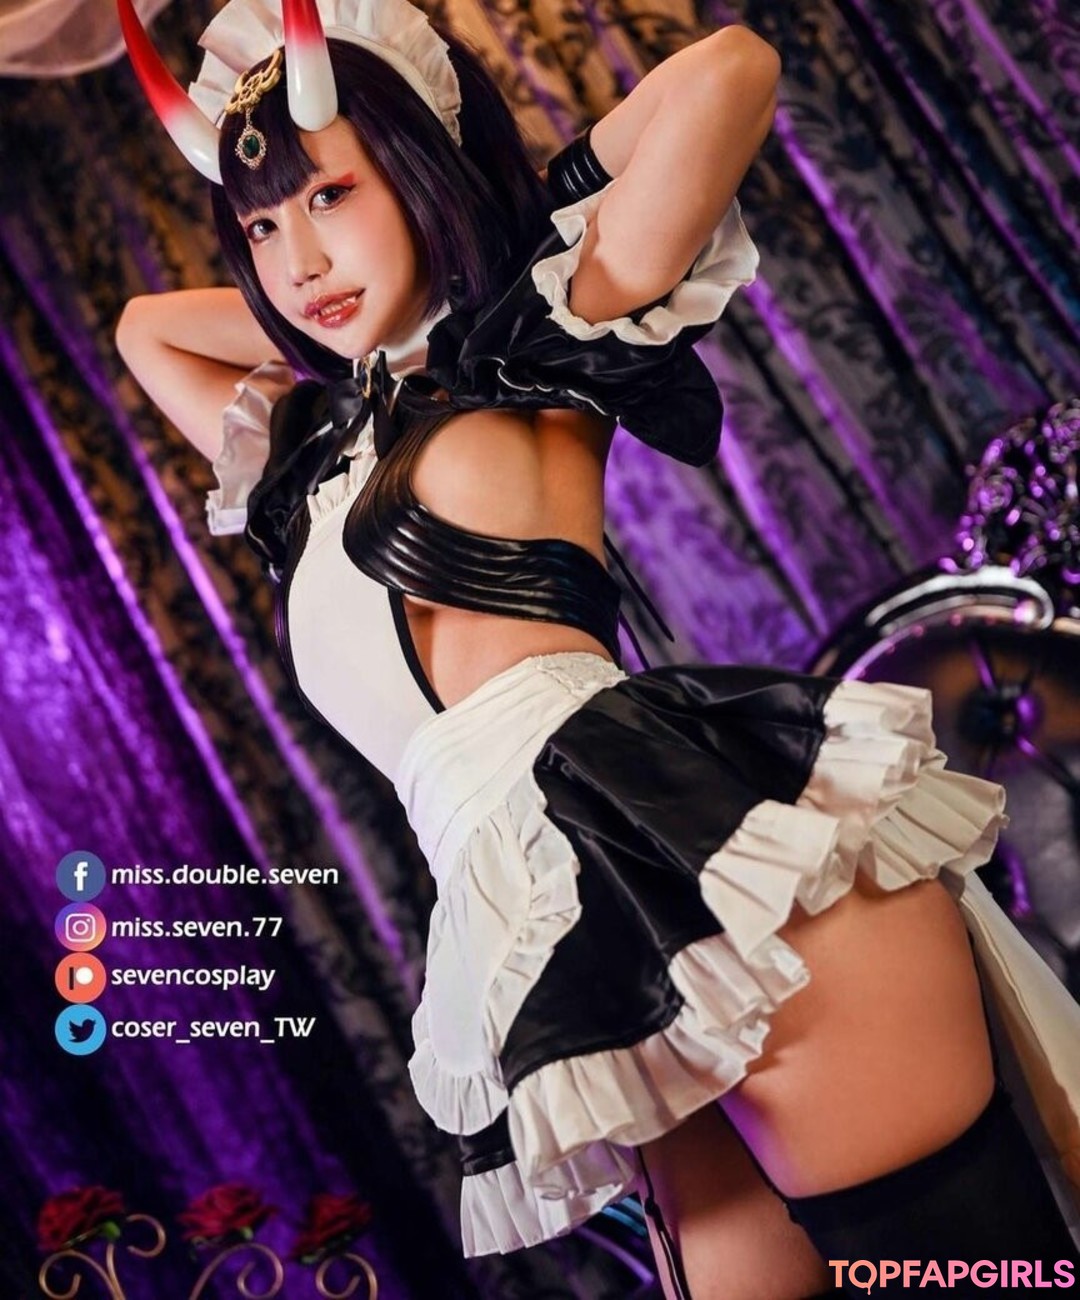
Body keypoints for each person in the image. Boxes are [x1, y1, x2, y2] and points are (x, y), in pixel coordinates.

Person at [114, 1, 1080, 1295]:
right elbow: (143, 328)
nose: (301, 260)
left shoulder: (540, 342)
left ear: (416, 171)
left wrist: (506, 215)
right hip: (560, 925)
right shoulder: (309, 461)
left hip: (697, 850)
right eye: (263, 228)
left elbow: (730, 70)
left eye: (333, 194)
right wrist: (314, 306)